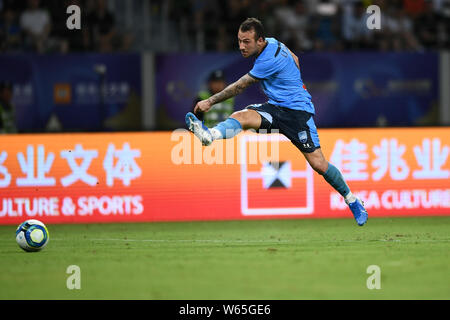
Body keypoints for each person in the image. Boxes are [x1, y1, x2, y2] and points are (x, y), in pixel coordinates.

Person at [186, 18, 368, 226]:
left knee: (318, 163)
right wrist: (294, 82)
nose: (241, 46)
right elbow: (295, 58)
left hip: (298, 114)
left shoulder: (267, 60)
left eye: (246, 42)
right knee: (243, 116)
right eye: (239, 41)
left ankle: (352, 200)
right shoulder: (274, 43)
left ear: (260, 41)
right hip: (276, 108)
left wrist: (210, 101)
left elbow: (239, 86)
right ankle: (210, 135)